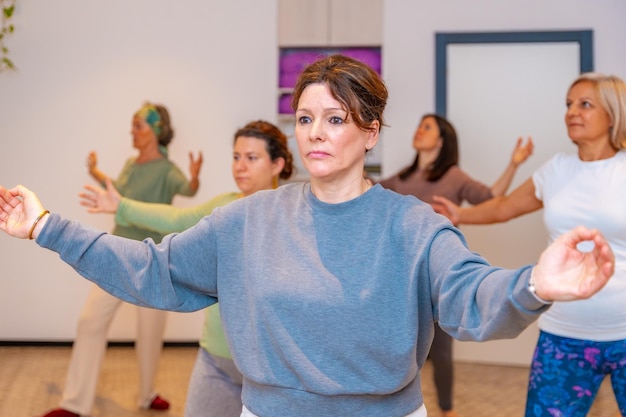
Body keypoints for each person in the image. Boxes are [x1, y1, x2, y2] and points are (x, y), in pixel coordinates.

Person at [0, 55, 616, 417]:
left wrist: (535, 283)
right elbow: (151, 270)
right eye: (304, 119)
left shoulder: (411, 224)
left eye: (335, 119)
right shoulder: (245, 221)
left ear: (371, 133)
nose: (315, 132)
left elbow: (470, 295)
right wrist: (48, 227)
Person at [432, 72, 626, 416]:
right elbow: (504, 207)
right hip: (563, 334)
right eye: (568, 104)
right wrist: (461, 215)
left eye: (585, 105)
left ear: (612, 113)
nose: (572, 112)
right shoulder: (556, 170)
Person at [79, 120, 294, 417]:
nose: (240, 166)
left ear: (276, 165)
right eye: (236, 157)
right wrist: (122, 206)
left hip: (269, 369)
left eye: (251, 158)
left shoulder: (292, 217)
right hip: (215, 359)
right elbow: (177, 219)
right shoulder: (224, 207)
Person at [38, 102, 203, 417]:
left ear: (155, 131)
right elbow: (118, 191)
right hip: (116, 252)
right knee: (90, 322)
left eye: (138, 126)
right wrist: (94, 172)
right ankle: (74, 404)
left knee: (150, 332)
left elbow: (188, 190)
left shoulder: (168, 171)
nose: (133, 132)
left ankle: (147, 394)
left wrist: (194, 178)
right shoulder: (130, 164)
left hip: (154, 259)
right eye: (133, 125)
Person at [378, 113, 534, 417]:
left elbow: (490, 197)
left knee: (441, 353)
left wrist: (514, 163)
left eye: (426, 127)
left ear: (441, 140)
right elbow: (370, 191)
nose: (419, 131)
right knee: (397, 348)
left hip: (437, 274)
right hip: (399, 276)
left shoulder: (453, 176)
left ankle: (447, 411)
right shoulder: (402, 177)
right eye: (419, 125)